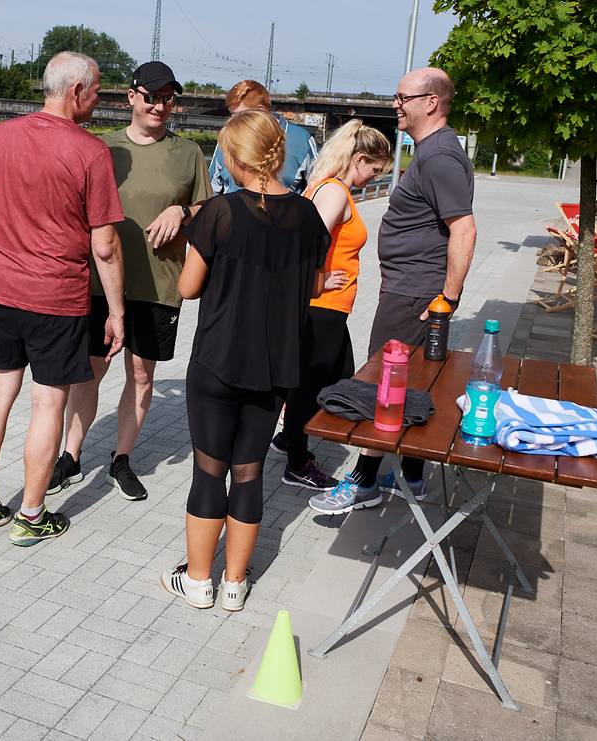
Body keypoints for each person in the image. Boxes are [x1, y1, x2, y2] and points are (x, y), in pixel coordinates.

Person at [162, 109, 330, 611]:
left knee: (209, 472)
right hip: (276, 367)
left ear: (235, 158)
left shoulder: (220, 212)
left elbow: (188, 287)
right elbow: (316, 286)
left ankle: (198, 580)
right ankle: (235, 583)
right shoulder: (307, 216)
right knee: (249, 472)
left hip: (217, 360)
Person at [0, 51, 127, 547]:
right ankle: (32, 515)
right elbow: (105, 245)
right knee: (48, 400)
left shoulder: (0, 137)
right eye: (96, 92)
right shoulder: (91, 153)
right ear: (76, 91)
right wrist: (117, 312)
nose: (98, 102)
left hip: (0, 290)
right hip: (56, 296)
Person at [310, 67, 477, 516]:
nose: (395, 105)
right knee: (411, 382)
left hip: (413, 294)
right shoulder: (433, 152)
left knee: (380, 384)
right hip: (412, 290)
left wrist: (448, 297)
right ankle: (413, 476)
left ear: (431, 102)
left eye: (403, 98)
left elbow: (463, 228)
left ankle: (363, 482)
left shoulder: (438, 157)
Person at [54, 61, 211, 502]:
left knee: (142, 375)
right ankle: (70, 455)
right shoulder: (101, 148)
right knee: (89, 371)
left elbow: (207, 210)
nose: (159, 106)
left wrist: (182, 211)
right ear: (131, 97)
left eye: (168, 99)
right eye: (151, 97)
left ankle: (121, 459)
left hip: (159, 285)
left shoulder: (188, 153)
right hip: (100, 284)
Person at [271, 120, 393, 490]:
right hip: (322, 308)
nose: (374, 179)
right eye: (375, 170)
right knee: (312, 387)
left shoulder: (328, 188)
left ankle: (289, 438)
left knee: (337, 377)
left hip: (330, 309)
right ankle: (297, 462)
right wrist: (318, 283)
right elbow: (305, 244)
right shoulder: (335, 192)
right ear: (359, 159)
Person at [208, 80, 319, 196]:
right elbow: (211, 188)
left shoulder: (301, 140)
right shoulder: (228, 138)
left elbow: (317, 188)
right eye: (231, 114)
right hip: (230, 207)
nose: (232, 120)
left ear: (261, 110)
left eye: (239, 115)